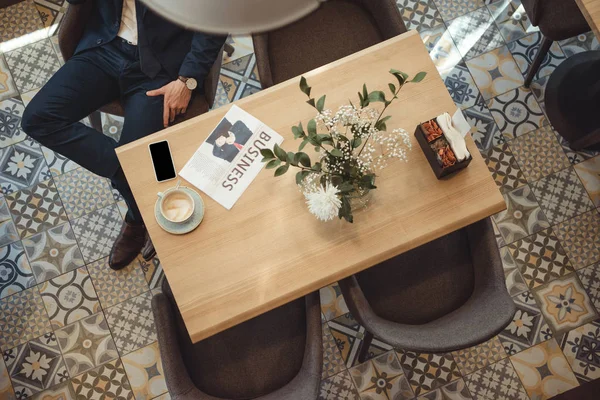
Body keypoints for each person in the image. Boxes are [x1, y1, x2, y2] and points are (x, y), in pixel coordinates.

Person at [21, 0, 227, 270]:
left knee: (146, 155)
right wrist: (126, 166)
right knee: (37, 118)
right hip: (103, 47)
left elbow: (219, 15)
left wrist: (187, 80)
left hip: (160, 69)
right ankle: (132, 179)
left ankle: (135, 219)